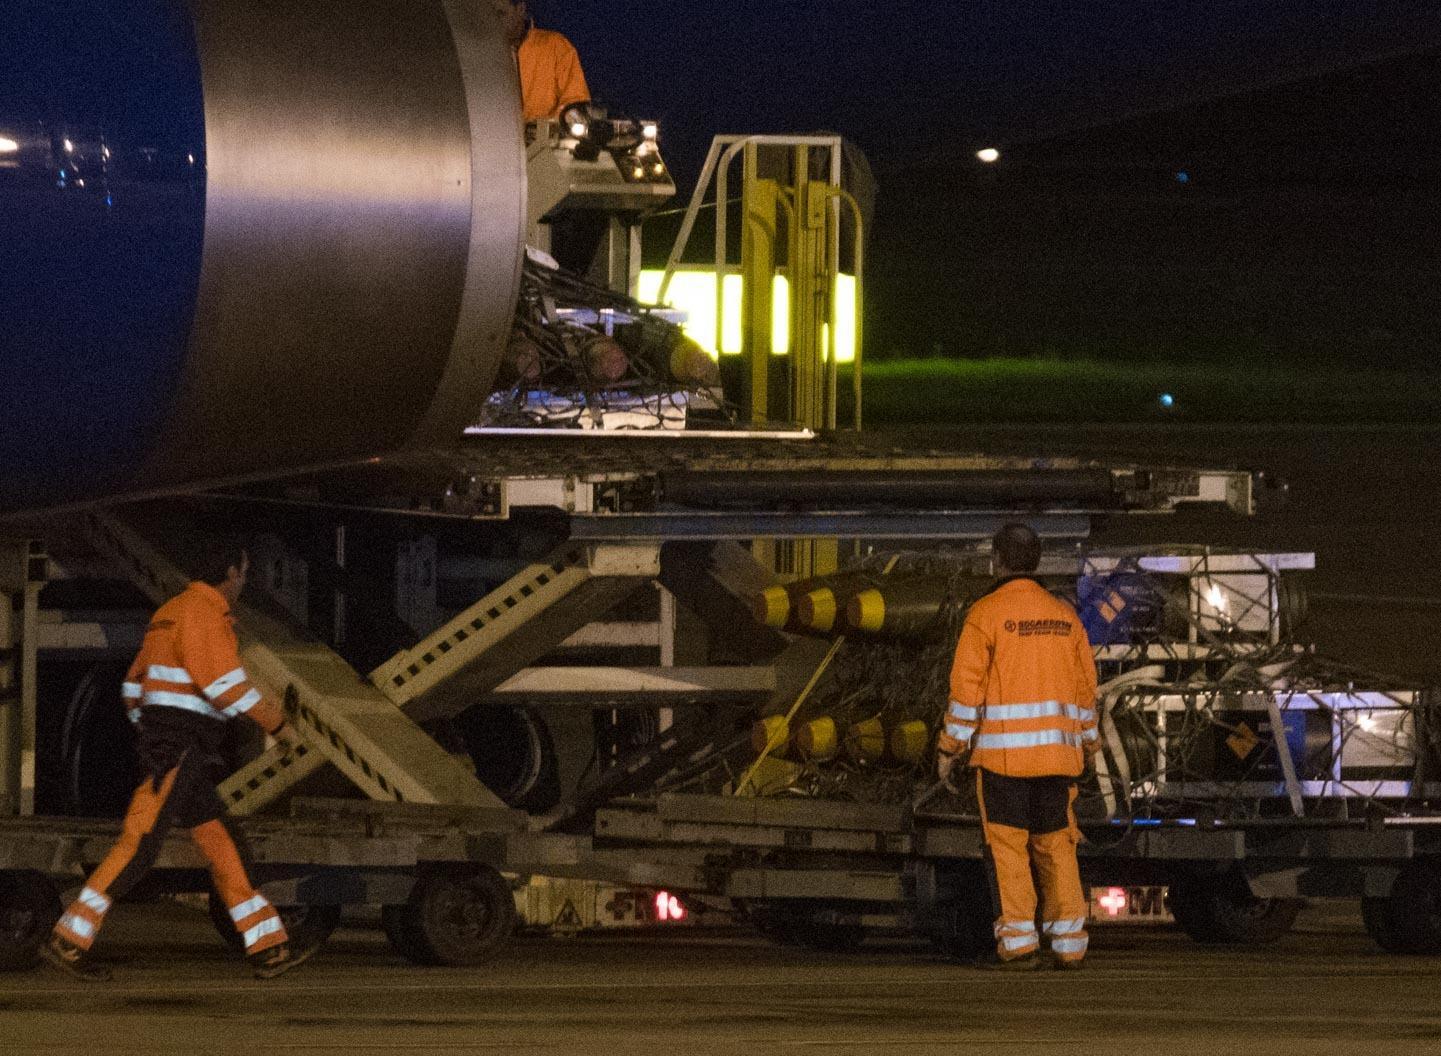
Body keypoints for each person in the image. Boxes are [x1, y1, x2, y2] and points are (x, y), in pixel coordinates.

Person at [41, 540, 307, 982]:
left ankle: (268, 949)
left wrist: (151, 731)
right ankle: (70, 939)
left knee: (224, 845)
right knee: (139, 846)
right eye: (243, 572)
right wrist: (279, 726)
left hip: (176, 748)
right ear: (230, 573)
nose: (244, 581)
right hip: (180, 748)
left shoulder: (171, 611)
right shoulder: (205, 614)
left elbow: (133, 686)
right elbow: (225, 686)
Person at [937, 523, 1099, 971]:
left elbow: (966, 692)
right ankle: (1070, 946)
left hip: (1004, 762)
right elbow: (1086, 692)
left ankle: (1020, 945)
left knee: (1008, 850)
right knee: (1057, 846)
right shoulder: (1065, 618)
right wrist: (1089, 744)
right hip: (1058, 760)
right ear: (1038, 560)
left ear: (996, 560)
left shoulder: (985, 614)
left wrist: (950, 749)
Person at [502, 0, 590, 123]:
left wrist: (566, 117)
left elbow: (575, 101)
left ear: (520, 9)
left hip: (543, 134)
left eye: (500, 13)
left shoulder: (555, 47)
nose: (493, 21)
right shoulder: (479, 53)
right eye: (488, 15)